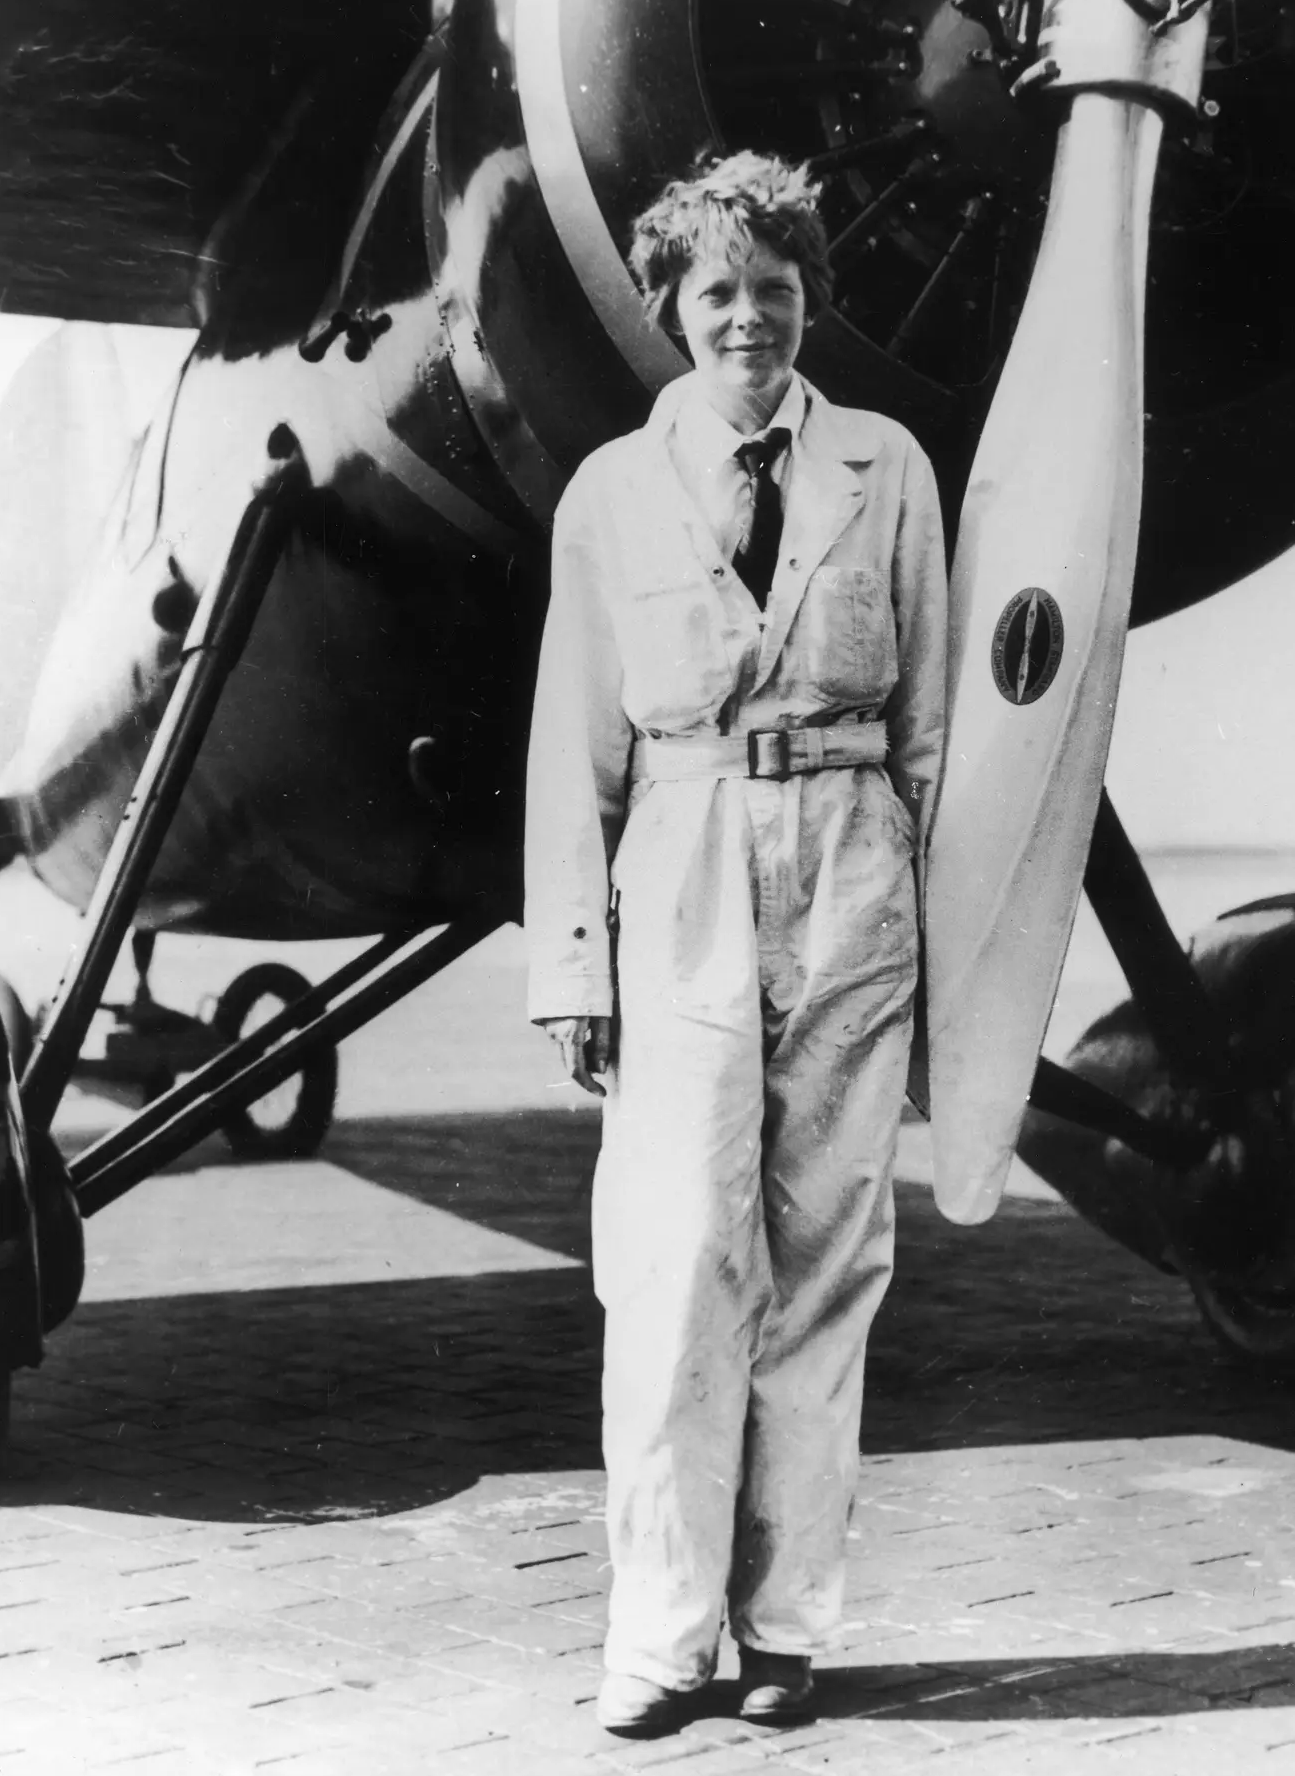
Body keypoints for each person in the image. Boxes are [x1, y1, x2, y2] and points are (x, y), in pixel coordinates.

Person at [524, 151, 947, 1737]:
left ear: (805, 300)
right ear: (669, 312)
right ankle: (658, 1636)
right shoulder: (612, 495)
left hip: (851, 872)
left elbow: (930, 729)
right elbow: (576, 749)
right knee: (677, 1268)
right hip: (683, 870)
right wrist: (573, 964)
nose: (749, 321)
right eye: (718, 294)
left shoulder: (886, 469)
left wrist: (930, 937)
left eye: (774, 291)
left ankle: (786, 1633)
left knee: (829, 1266)